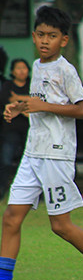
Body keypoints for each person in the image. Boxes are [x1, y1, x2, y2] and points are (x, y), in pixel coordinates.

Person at [0, 6, 83, 280]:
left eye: (52, 36)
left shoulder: (66, 70)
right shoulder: (37, 66)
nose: (45, 41)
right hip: (33, 153)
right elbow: (40, 101)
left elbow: (82, 109)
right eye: (41, 35)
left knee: (60, 226)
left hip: (57, 155)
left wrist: (44, 107)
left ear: (64, 40)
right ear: (34, 37)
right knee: (10, 218)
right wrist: (20, 107)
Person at [0, 58, 31, 199]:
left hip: (29, 131)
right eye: (18, 68)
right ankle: (2, 190)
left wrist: (18, 100)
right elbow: (7, 103)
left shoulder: (33, 85)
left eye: (24, 68)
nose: (21, 71)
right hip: (11, 130)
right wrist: (26, 105)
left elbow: (37, 103)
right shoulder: (7, 85)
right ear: (12, 71)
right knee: (6, 160)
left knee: (29, 162)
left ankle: (30, 193)